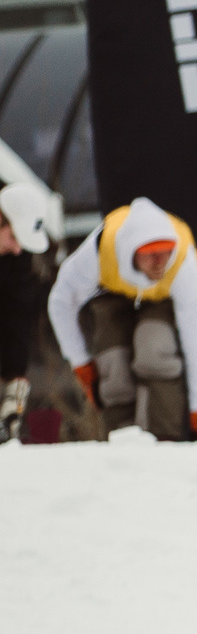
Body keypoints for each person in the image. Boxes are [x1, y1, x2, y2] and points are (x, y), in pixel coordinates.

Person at [46, 196, 197, 441]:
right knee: (112, 363)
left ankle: (164, 440)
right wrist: (81, 362)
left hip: (162, 296)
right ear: (131, 250)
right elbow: (61, 302)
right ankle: (120, 441)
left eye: (166, 252)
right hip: (112, 289)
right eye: (150, 254)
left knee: (155, 349)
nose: (160, 263)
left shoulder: (181, 264)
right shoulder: (99, 252)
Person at [1, 180, 56, 442]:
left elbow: (16, 313)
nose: (17, 248)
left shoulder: (15, 259)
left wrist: (14, 377)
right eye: (13, 237)